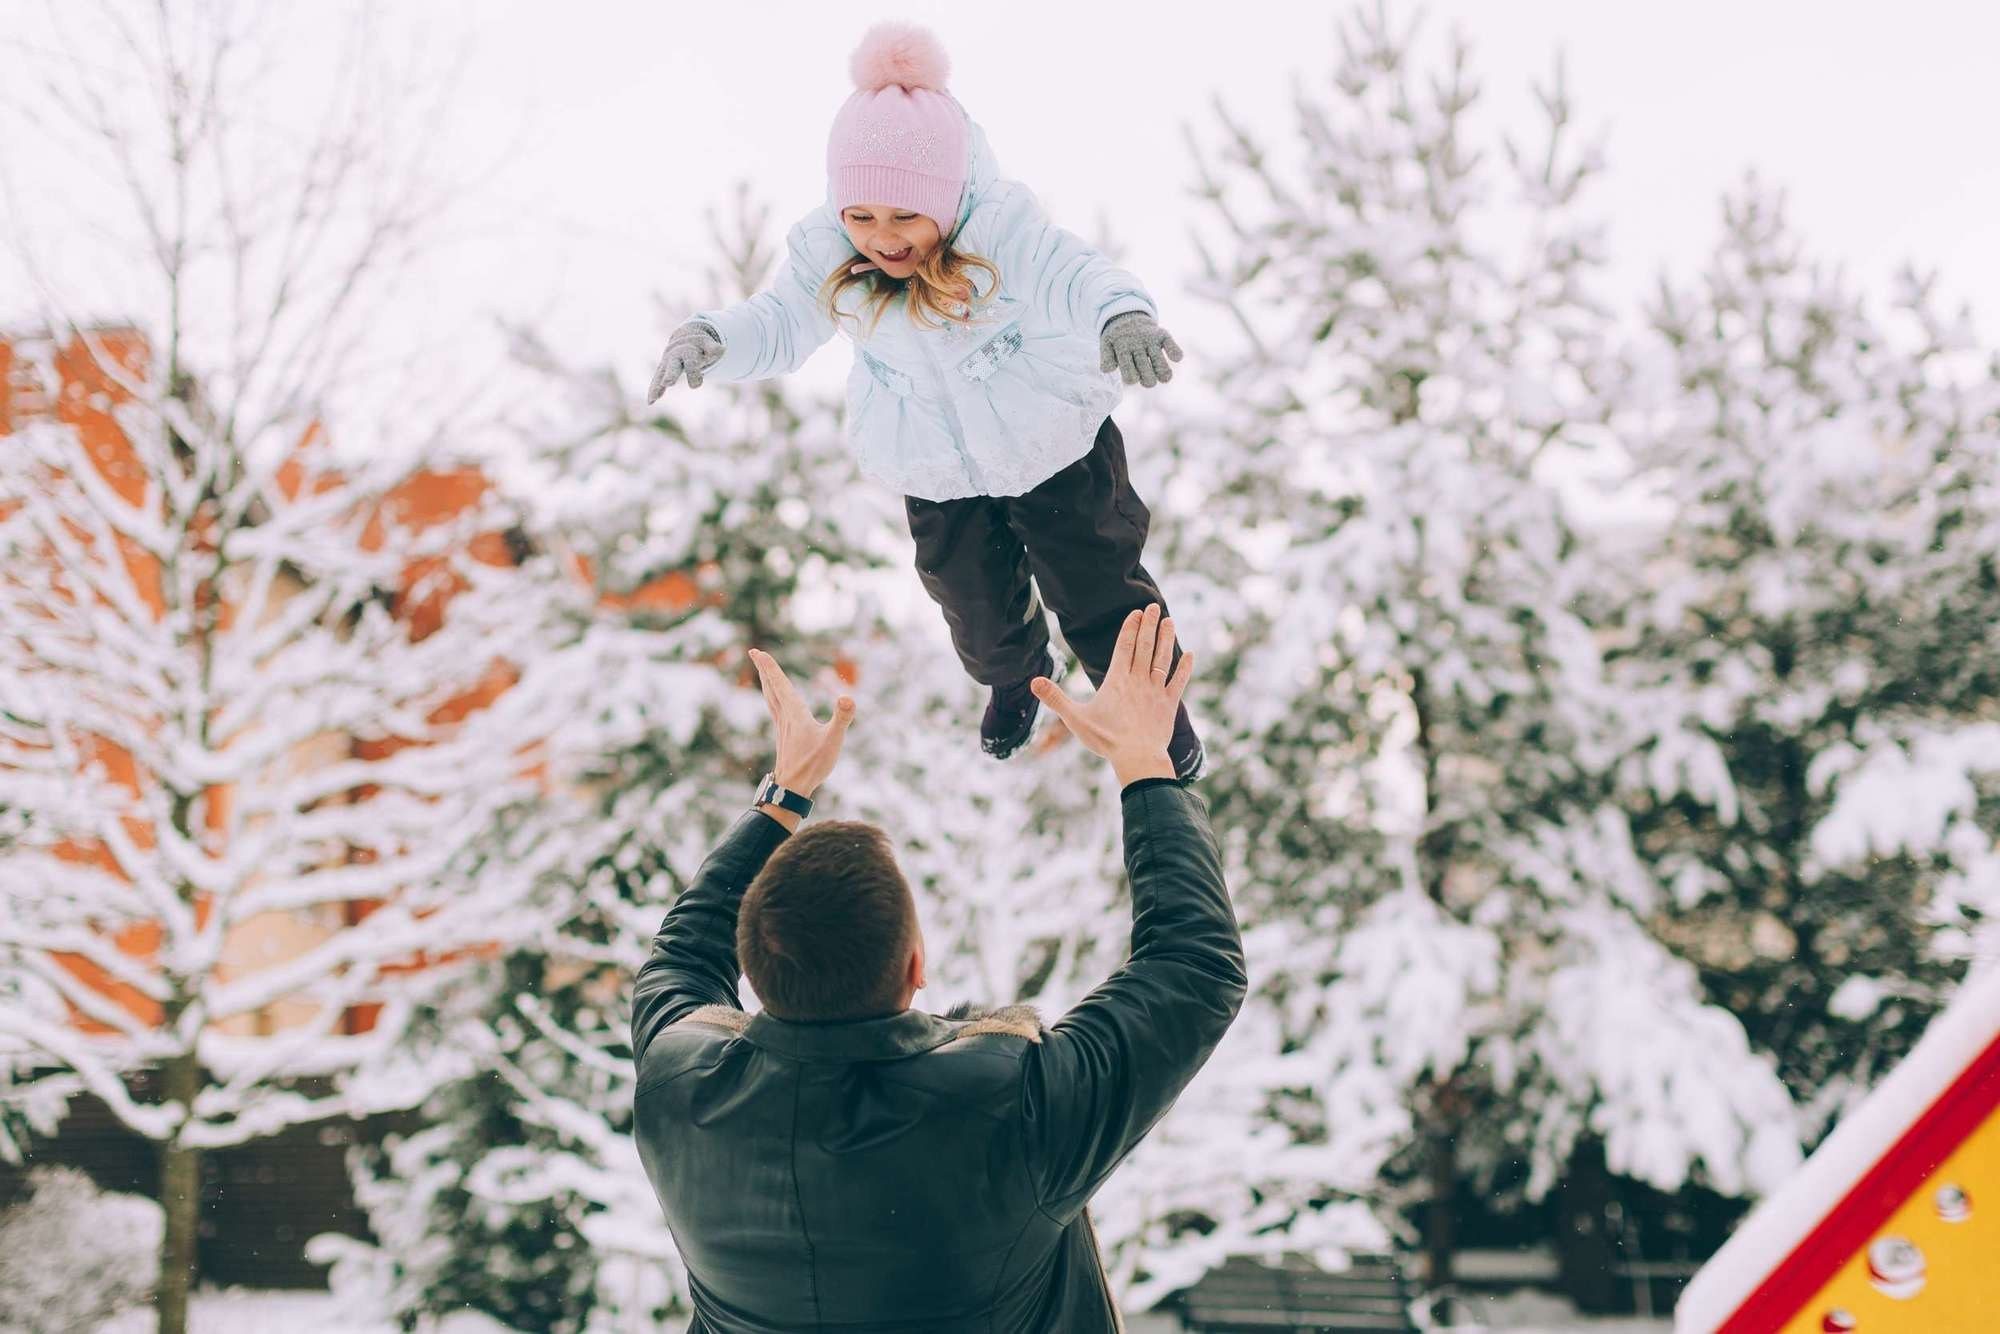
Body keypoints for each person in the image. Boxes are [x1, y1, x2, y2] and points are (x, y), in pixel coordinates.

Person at [629, 606, 1247, 1333]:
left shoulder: (678, 1088)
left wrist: (781, 799)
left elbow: (681, 950)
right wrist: (1144, 758)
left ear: (753, 971)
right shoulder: (1011, 1108)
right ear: (917, 965)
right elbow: (1195, 967)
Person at [644, 21, 1204, 780]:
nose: (884, 238)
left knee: (1100, 589)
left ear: (945, 199)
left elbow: (1075, 273)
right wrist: (715, 335)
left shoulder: (1001, 228)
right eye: (863, 216)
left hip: (1051, 442)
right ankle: (1015, 677)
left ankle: (1152, 711)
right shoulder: (830, 253)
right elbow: (779, 320)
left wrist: (1120, 314)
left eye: (906, 216)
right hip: (935, 460)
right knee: (974, 607)